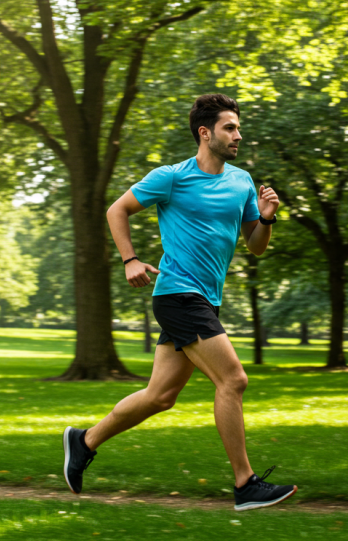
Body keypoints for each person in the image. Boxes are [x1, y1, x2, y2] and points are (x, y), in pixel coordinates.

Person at [62, 93, 296, 511]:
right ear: (205, 133)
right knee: (234, 380)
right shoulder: (172, 177)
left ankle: (84, 441)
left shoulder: (241, 181)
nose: (238, 135)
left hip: (207, 298)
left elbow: (256, 247)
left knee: (160, 396)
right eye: (230, 127)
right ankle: (246, 484)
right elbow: (117, 210)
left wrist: (266, 217)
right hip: (178, 294)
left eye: (238, 128)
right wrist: (130, 259)